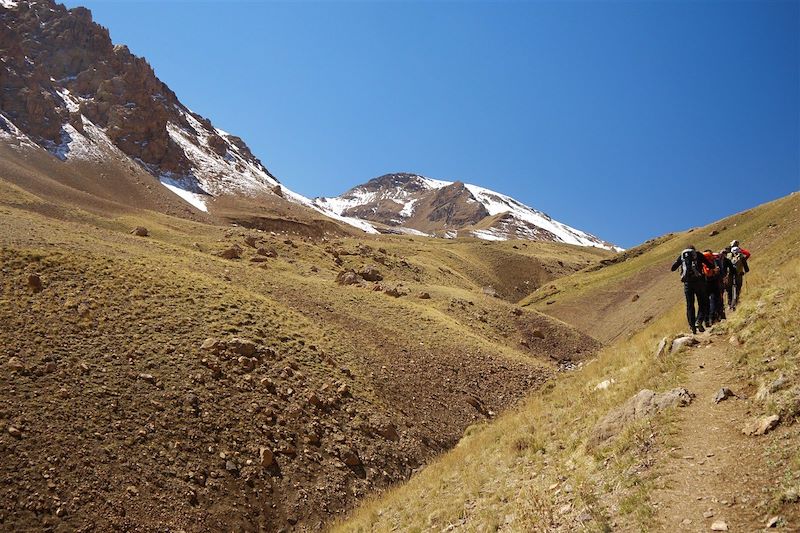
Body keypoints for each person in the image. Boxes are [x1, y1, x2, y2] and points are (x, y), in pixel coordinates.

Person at [671, 245, 715, 334]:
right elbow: (710, 265)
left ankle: (692, 327)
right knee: (703, 302)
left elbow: (673, 268)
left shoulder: (682, 255)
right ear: (694, 250)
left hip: (687, 283)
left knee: (690, 305)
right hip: (699, 282)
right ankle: (699, 321)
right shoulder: (698, 254)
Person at [715, 247, 736, 320]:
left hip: (720, 280)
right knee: (727, 291)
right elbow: (732, 269)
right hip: (724, 279)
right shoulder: (726, 260)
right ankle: (729, 305)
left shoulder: (716, 260)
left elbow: (732, 269)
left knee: (722, 293)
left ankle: (725, 307)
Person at [702, 249, 721, 324]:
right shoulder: (713, 259)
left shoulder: (701, 260)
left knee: (705, 301)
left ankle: (706, 320)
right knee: (714, 298)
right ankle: (713, 317)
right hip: (713, 281)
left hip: (704, 282)